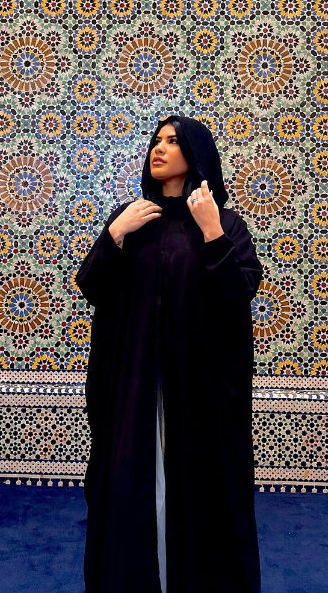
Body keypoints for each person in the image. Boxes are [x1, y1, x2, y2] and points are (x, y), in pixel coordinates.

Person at [76, 114, 264, 593]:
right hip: (135, 385)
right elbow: (93, 287)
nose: (159, 149)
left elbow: (238, 293)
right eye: (156, 141)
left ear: (195, 155)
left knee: (200, 490)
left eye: (173, 142)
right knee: (129, 485)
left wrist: (212, 232)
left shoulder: (224, 223)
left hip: (197, 391)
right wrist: (114, 235)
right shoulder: (135, 218)